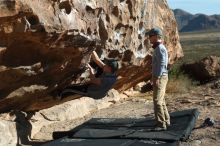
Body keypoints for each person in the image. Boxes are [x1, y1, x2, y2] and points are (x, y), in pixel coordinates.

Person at [145, 28, 170, 131]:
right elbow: (157, 65)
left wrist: (157, 77)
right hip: (160, 76)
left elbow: (162, 64)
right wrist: (153, 77)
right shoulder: (158, 48)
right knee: (161, 100)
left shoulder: (159, 48)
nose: (149, 38)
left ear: (156, 36)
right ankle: (166, 121)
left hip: (161, 77)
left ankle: (161, 124)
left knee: (157, 101)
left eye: (150, 36)